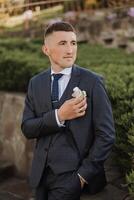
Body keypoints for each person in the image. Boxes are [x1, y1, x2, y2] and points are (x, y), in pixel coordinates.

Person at [21, 21, 115, 200]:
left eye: (73, 43)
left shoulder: (92, 82)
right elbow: (27, 128)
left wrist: (81, 177)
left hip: (72, 177)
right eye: (62, 43)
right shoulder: (36, 83)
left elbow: (107, 135)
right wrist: (59, 116)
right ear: (46, 50)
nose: (70, 50)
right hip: (40, 175)